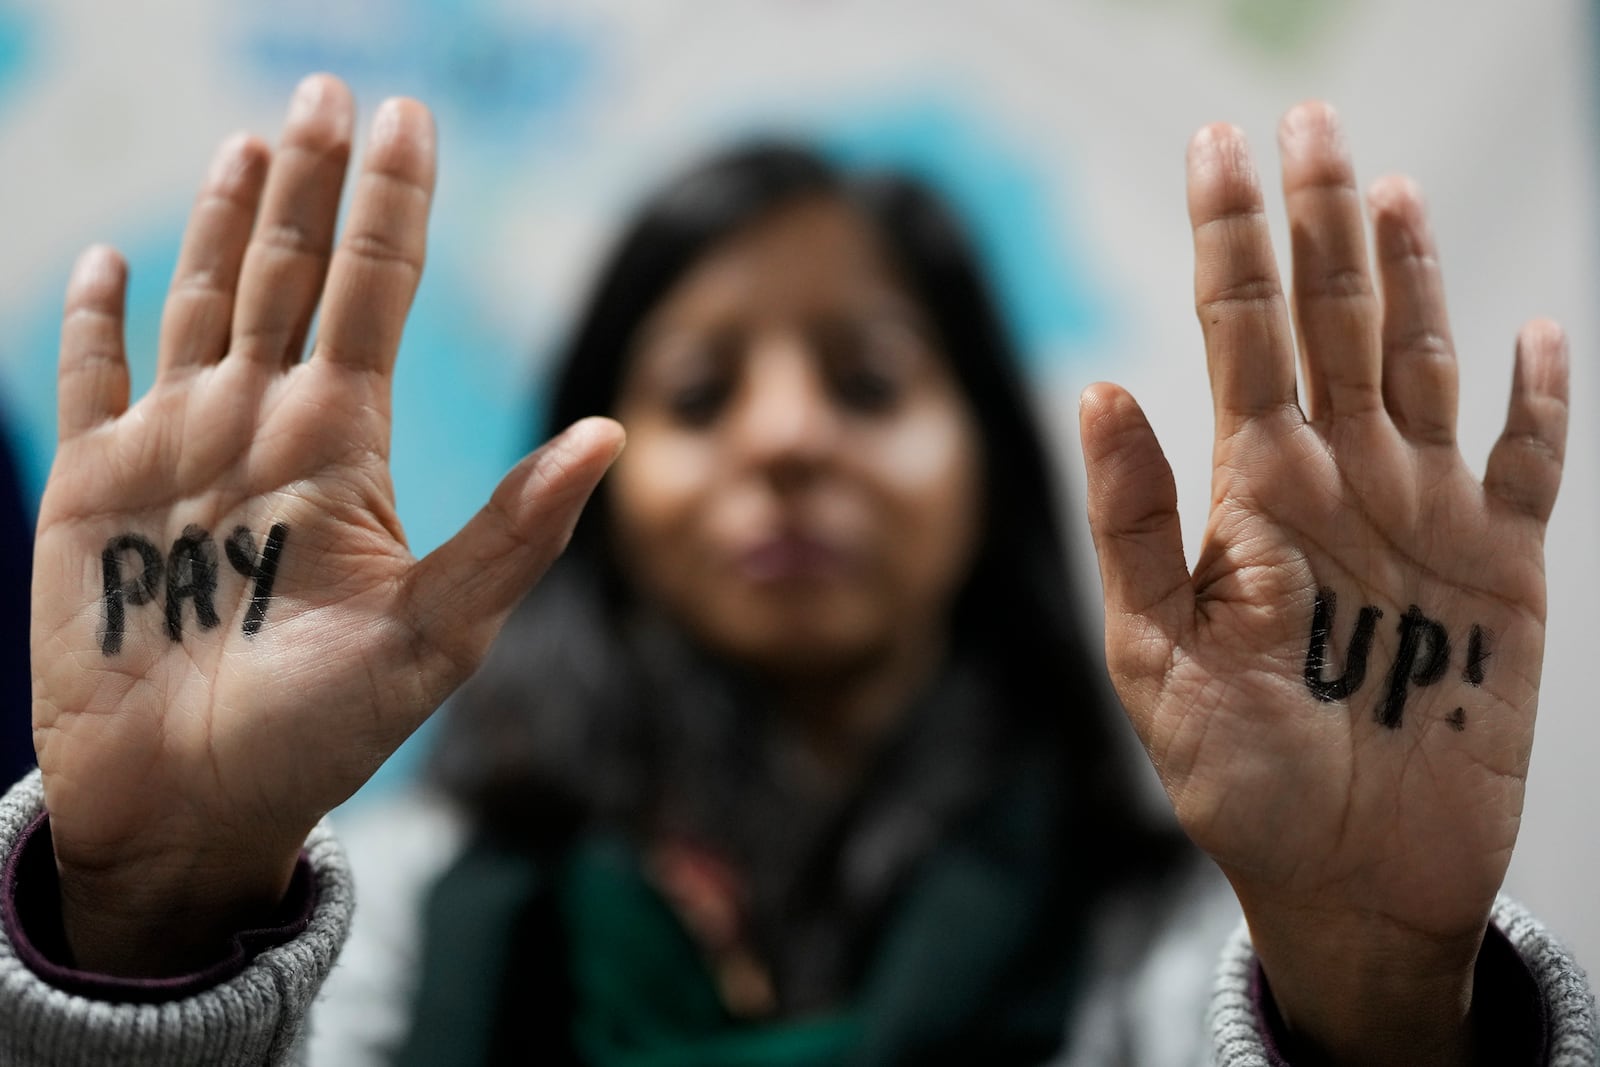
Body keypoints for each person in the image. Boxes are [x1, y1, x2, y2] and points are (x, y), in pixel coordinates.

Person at [0, 72, 1593, 1066]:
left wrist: (1385, 1003)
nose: (785, 441)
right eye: (695, 395)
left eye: (870, 382)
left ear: (986, 466)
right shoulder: (398, 921)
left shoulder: (1194, 952)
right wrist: (148, 923)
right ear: (597, 489)